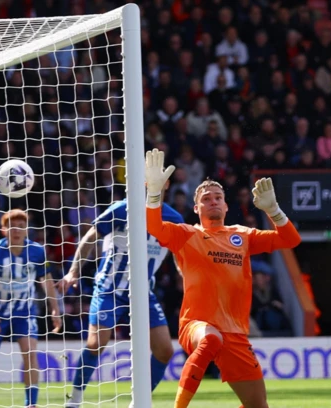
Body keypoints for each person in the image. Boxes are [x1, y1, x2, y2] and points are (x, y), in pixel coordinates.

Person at [144, 148, 301, 408]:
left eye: (218, 197)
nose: (213, 201)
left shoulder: (243, 235)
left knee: (258, 406)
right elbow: (155, 227)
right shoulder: (187, 234)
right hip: (197, 323)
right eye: (207, 198)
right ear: (196, 208)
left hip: (235, 332)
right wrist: (154, 195)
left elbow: (291, 239)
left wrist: (273, 210)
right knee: (211, 339)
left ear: (227, 205)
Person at [59, 190, 184, 407]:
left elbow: (180, 253)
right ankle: (75, 400)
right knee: (96, 344)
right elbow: (90, 237)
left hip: (143, 292)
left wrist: (186, 276)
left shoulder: (173, 218)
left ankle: (139, 401)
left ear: (166, 184)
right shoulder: (123, 208)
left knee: (165, 351)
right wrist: (73, 272)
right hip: (110, 288)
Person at [0, 209, 61, 408]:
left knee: (30, 353)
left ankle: (31, 404)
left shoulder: (37, 251)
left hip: (24, 312)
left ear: (27, 230)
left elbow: (47, 281)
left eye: (21, 226)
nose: (16, 230)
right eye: (11, 226)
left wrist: (55, 309)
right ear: (3, 230)